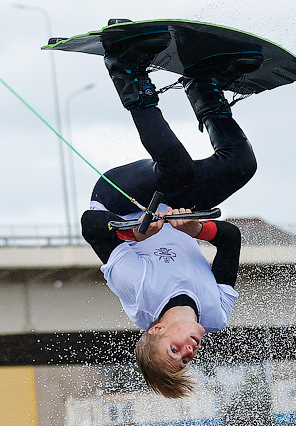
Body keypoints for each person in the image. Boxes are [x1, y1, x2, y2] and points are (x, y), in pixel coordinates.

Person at [81, 30, 262, 398]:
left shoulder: (140, 292)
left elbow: (90, 227)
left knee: (176, 169)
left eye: (173, 352)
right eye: (187, 359)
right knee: (241, 166)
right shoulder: (214, 314)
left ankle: (125, 66)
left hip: (120, 198)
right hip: (178, 206)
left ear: (155, 331)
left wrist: (133, 234)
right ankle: (206, 88)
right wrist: (197, 229)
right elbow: (231, 240)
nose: (188, 349)